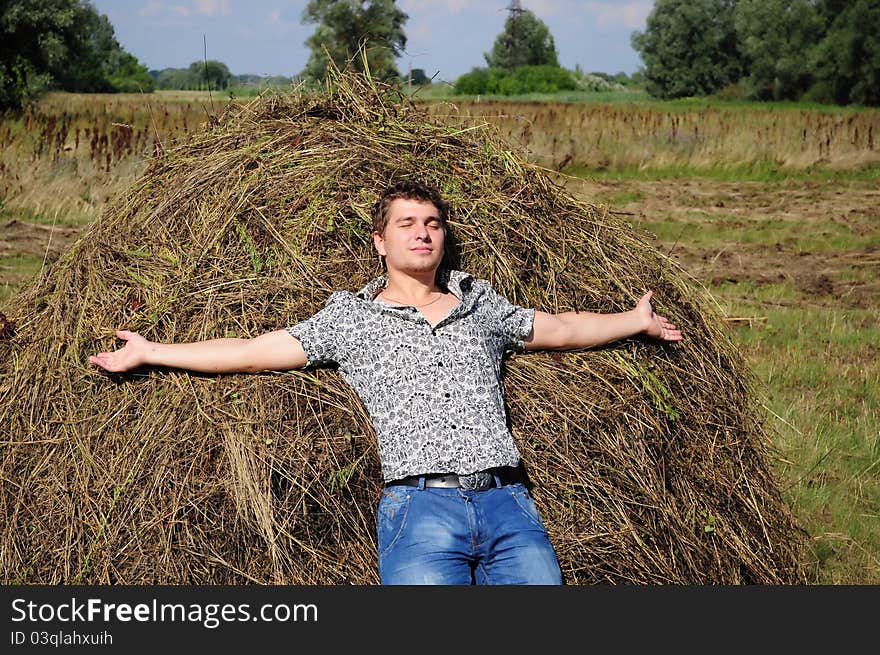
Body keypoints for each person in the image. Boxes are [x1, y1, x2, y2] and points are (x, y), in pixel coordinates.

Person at [89, 180, 682, 585]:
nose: (423, 233)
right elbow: (250, 352)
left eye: (433, 224)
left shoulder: (482, 306)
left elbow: (557, 327)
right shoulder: (350, 319)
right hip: (420, 507)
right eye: (407, 224)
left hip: (509, 503)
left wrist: (634, 320)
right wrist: (152, 352)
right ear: (381, 241)